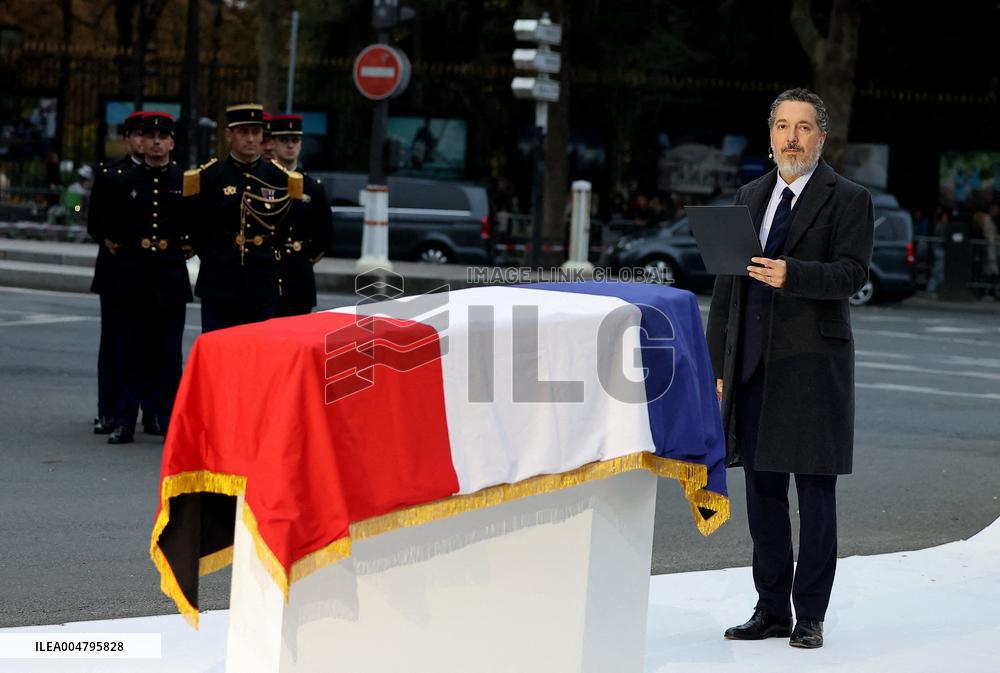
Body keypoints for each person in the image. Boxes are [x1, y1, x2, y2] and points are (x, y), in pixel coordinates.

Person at [706, 88, 874, 649]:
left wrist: (793, 274)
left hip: (812, 369)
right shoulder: (749, 196)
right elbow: (726, 288)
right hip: (753, 368)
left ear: (821, 137)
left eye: (803, 127)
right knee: (763, 495)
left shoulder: (848, 198)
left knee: (816, 497)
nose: (792, 138)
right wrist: (717, 365)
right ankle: (772, 608)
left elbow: (853, 273)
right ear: (771, 135)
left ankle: (811, 615)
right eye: (782, 126)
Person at [100, 112, 192, 444]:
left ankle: (166, 418)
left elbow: (196, 225)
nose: (155, 143)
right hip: (133, 276)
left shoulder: (185, 181)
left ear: (172, 142)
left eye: (162, 137)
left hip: (169, 276)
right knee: (130, 352)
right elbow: (109, 226)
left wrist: (185, 248)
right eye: (150, 136)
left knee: (168, 355)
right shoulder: (124, 180)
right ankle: (125, 419)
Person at [184, 103, 302, 332]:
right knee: (218, 348)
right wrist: (215, 257)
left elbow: (286, 227)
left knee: (257, 349)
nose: (250, 139)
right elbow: (195, 225)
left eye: (256, 132)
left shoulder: (277, 178)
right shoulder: (211, 176)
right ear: (229, 135)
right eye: (243, 132)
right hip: (220, 281)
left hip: (261, 280)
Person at [87, 110, 147, 435]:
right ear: (127, 140)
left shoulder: (167, 175)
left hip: (151, 273)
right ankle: (107, 410)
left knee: (150, 344)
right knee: (113, 342)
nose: (144, 141)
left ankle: (151, 410)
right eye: (138, 135)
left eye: (150, 135)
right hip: (116, 271)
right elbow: (95, 224)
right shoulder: (112, 175)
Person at [269, 113, 332, 316]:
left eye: (295, 140)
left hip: (299, 276)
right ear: (273, 143)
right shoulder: (262, 182)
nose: (290, 145)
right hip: (266, 272)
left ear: (301, 144)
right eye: (284, 140)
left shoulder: (313, 188)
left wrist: (303, 256)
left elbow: (324, 234)